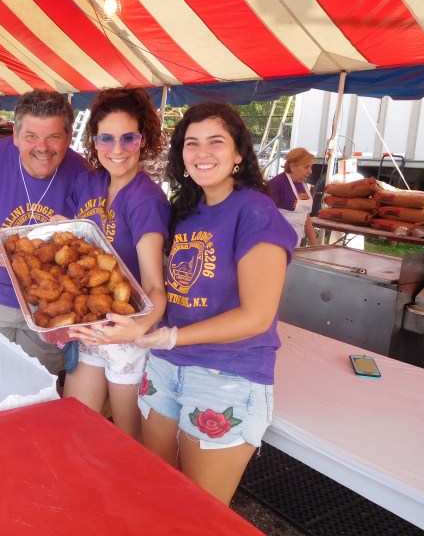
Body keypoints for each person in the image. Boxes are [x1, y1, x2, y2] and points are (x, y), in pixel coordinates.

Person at [134, 102, 297, 506]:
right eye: (192, 143)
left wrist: (172, 337)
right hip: (164, 369)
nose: (202, 153)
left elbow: (256, 317)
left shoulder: (256, 212)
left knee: (198, 512)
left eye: (216, 142)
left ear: (239, 152)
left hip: (226, 376)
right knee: (157, 492)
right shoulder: (185, 209)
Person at [0, 89, 89, 375]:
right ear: (15, 135)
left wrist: (77, 235)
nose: (43, 147)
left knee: (35, 392)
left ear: (68, 137)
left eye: (53, 137)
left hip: (48, 309)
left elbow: (90, 249)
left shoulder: (82, 173)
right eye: (31, 136)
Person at [63, 88, 169, 440]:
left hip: (127, 331)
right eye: (106, 139)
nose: (118, 149)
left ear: (145, 139)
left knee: (127, 439)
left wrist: (138, 330)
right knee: (75, 427)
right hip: (88, 326)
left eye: (129, 138)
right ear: (94, 141)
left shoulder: (146, 199)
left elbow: (154, 287)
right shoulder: (88, 182)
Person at [267, 147, 319, 247]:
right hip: (278, 243)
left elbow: (305, 215)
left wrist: (313, 242)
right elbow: (265, 217)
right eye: (306, 167)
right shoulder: (277, 184)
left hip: (296, 242)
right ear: (292, 167)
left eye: (311, 167)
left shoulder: (302, 185)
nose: (310, 171)